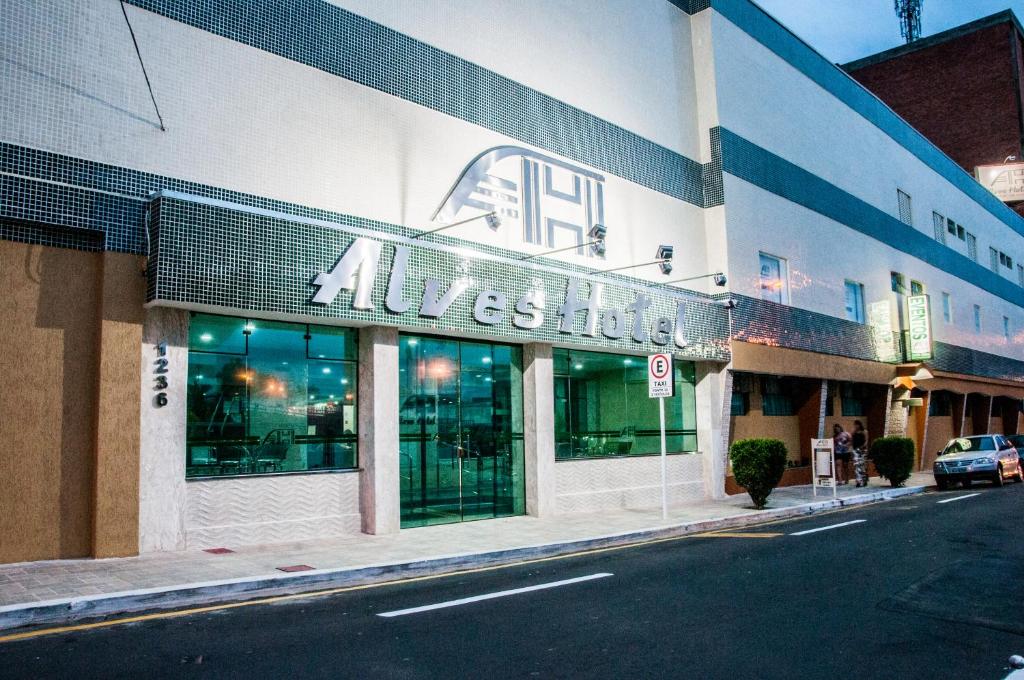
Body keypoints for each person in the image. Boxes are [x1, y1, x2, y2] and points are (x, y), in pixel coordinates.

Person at [852, 420, 869, 487]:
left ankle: (864, 480)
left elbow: (866, 441)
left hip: (862, 450)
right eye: (855, 424)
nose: (856, 426)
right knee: (856, 465)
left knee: (862, 466)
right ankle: (858, 481)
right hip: (855, 450)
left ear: (860, 425)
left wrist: (863, 448)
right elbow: (852, 441)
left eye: (857, 424)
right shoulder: (854, 432)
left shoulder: (864, 431)